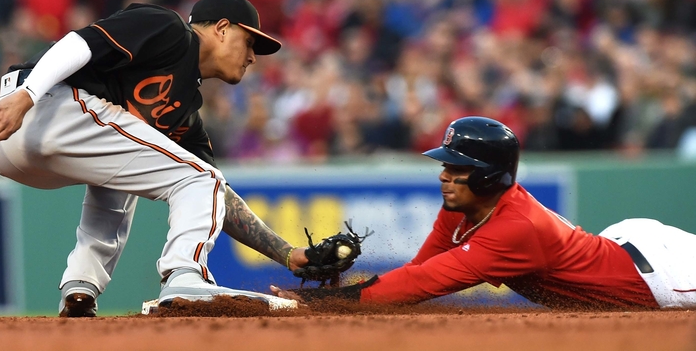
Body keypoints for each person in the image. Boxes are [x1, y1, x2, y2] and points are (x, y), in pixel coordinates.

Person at [0, 0, 311, 316]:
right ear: (222, 29)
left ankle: (81, 287)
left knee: (130, 176)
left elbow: (213, 195)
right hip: (35, 106)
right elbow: (79, 43)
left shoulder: (186, 114)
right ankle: (185, 275)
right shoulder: (170, 29)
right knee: (198, 175)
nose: (253, 56)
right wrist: (28, 95)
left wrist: (287, 253)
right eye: (250, 42)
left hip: (22, 141)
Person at [272, 116, 696, 309]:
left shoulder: (516, 227)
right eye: (445, 165)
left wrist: (321, 302)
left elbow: (421, 283)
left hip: (661, 275)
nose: (444, 176)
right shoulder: (463, 207)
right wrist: (343, 289)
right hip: (622, 246)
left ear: (490, 176)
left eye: (458, 168)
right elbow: (420, 269)